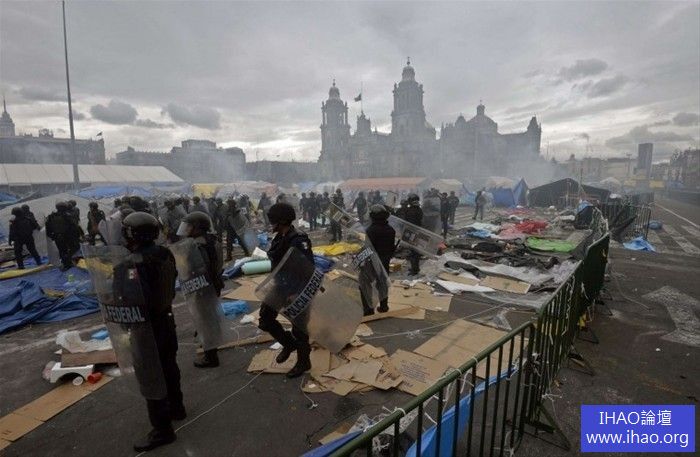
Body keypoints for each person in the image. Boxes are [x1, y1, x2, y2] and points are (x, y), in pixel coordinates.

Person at [120, 212, 185, 452]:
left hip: (147, 327)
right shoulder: (165, 253)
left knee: (151, 375)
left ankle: (162, 429)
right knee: (169, 366)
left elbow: (137, 298)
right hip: (166, 319)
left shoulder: (132, 264)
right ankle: (177, 408)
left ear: (133, 234)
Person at [258, 202, 313, 378]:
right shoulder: (280, 237)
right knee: (265, 319)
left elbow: (307, 269)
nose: (271, 224)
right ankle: (288, 344)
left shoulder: (298, 240)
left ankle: (304, 362)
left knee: (300, 329)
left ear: (281, 221)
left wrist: (297, 293)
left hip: (298, 290)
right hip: (281, 286)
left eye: (273, 221)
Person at [177, 212, 225, 368]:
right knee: (211, 318)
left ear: (197, 228)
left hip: (202, 287)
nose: (186, 229)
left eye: (189, 226)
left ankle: (211, 357)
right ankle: (212, 345)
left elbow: (197, 269)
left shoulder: (196, 246)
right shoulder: (213, 240)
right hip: (214, 284)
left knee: (205, 321)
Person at [362, 205, 395, 315]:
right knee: (382, 283)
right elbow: (391, 248)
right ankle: (384, 306)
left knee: (365, 283)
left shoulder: (371, 230)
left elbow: (368, 249)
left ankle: (368, 310)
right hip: (385, 261)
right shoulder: (391, 230)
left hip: (372, 261)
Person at [45, 201, 81, 271]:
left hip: (57, 237)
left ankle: (66, 264)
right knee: (74, 247)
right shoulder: (67, 216)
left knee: (62, 251)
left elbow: (48, 228)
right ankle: (68, 260)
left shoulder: (51, 216)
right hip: (68, 236)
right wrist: (77, 236)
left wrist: (52, 236)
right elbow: (74, 227)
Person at [404, 193, 423, 276]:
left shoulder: (411, 210)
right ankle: (415, 268)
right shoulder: (419, 209)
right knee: (416, 251)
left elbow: (409, 223)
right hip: (417, 232)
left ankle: (414, 270)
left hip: (412, 233)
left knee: (413, 252)